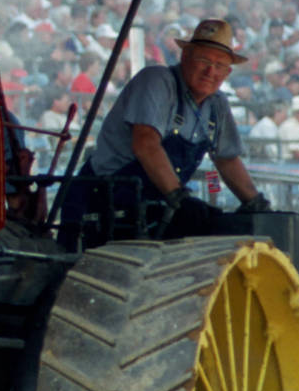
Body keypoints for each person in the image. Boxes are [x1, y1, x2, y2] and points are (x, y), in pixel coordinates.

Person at [65, 18, 268, 245]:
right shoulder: (157, 81)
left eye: (219, 65)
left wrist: (257, 205)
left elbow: (227, 159)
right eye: (203, 60)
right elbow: (146, 143)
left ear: (227, 73)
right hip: (101, 205)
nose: (211, 71)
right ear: (185, 57)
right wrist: (179, 199)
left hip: (151, 209)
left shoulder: (217, 104)